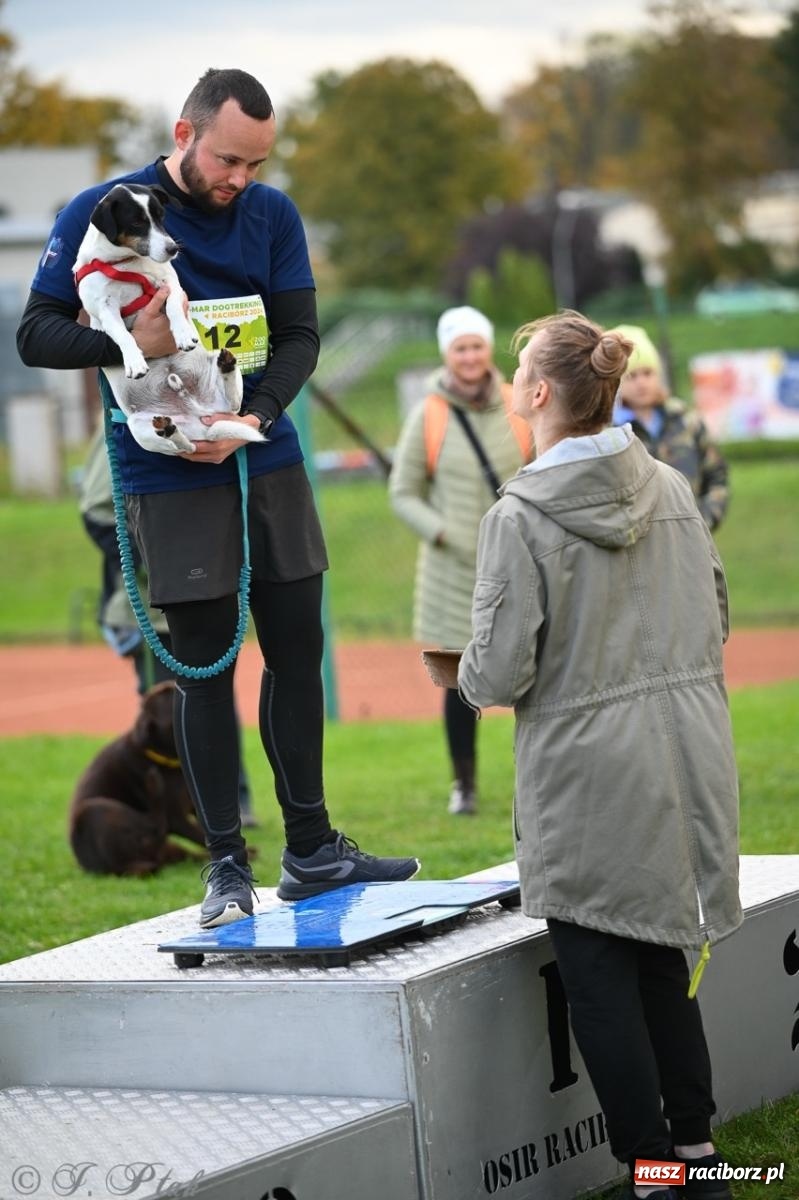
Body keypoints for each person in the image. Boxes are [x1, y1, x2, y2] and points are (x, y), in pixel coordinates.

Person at [18, 67, 419, 927]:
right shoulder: (102, 210)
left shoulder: (272, 216)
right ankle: (226, 868)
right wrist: (127, 343)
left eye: (255, 165)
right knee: (202, 672)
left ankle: (311, 850)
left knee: (297, 651)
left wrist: (255, 415)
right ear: (184, 135)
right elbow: (35, 334)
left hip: (262, 456)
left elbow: (300, 334)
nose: (240, 179)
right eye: (228, 160)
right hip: (168, 472)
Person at [458, 311, 742, 1200]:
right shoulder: (673, 487)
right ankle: (697, 1159)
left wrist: (459, 669)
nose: (510, 383)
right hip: (685, 759)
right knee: (660, 960)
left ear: (539, 392)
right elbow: (715, 617)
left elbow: (497, 672)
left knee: (600, 981)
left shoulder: (516, 515)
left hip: (582, 779)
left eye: (518, 372)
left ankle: (653, 1174)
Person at [78, 422, 259, 827]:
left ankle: (232, 804)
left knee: (216, 699)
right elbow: (97, 510)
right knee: (169, 716)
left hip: (211, 591)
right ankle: (182, 814)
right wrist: (157, 557)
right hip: (153, 611)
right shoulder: (123, 420)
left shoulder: (206, 414)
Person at [389, 306, 531, 815]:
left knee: (537, 672)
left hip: (520, 562)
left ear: (488, 349)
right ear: (447, 354)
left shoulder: (520, 405)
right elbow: (403, 492)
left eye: (476, 346)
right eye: (459, 348)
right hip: (454, 572)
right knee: (460, 680)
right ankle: (464, 785)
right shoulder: (429, 414)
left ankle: (536, 780)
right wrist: (442, 531)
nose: (469, 357)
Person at [610, 324, 729, 532]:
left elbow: (717, 476)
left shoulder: (686, 420)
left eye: (648, 373)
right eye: (631, 376)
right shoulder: (609, 430)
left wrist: (703, 523)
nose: (641, 383)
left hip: (691, 538)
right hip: (638, 542)